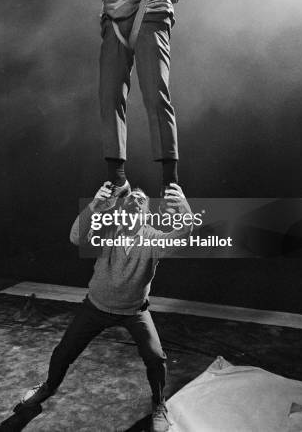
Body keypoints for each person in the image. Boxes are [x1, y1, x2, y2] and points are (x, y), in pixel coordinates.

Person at [14, 183, 192, 432]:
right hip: (96, 308)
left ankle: (159, 403)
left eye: (141, 200)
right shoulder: (108, 231)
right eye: (131, 199)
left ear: (148, 215)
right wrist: (96, 204)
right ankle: (48, 387)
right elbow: (76, 237)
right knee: (63, 352)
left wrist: (183, 206)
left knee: (156, 359)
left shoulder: (154, 240)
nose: (135, 201)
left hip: (134, 312)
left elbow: (183, 235)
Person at [68, 0, 188, 198]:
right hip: (116, 27)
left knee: (155, 93)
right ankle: (117, 178)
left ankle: (170, 183)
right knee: (109, 95)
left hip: (150, 19)